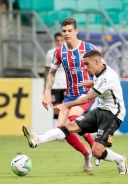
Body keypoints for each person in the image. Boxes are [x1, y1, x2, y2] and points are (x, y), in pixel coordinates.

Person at [22, 49, 128, 174]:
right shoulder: (100, 71)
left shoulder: (107, 76)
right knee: (69, 126)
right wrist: (91, 82)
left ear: (96, 62)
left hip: (113, 115)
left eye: (86, 64)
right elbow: (100, 82)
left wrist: (66, 105)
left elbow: (88, 98)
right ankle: (38, 139)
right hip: (101, 110)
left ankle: (120, 159)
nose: (84, 68)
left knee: (97, 152)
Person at [41, 18, 102, 172]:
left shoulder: (88, 48)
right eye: (64, 31)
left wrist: (96, 84)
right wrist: (46, 93)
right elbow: (51, 73)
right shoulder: (58, 51)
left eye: (69, 31)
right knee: (62, 129)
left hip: (86, 94)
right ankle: (88, 153)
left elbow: (103, 69)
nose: (66, 33)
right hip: (70, 96)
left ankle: (95, 148)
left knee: (73, 121)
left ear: (76, 31)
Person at [44, 32, 65, 126]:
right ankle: (56, 132)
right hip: (55, 85)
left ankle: (66, 132)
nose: (59, 42)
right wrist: (46, 87)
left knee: (66, 108)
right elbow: (48, 72)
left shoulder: (69, 52)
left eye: (61, 40)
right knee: (56, 108)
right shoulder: (50, 53)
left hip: (67, 84)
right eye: (57, 40)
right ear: (55, 41)